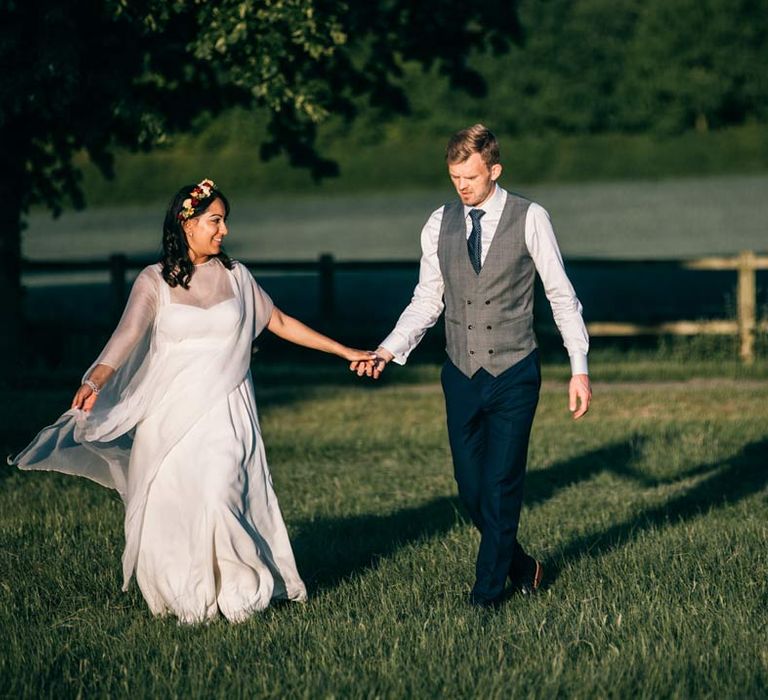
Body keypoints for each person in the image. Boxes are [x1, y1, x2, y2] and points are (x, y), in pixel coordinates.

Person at [11, 179, 375, 624]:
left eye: (224, 221)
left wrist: (345, 351)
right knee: (178, 500)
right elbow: (127, 335)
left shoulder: (237, 275)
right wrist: (97, 378)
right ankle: (189, 597)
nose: (223, 231)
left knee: (221, 492)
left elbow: (278, 320)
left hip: (226, 408)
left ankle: (241, 595)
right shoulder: (153, 279)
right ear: (187, 223)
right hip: (170, 413)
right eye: (215, 221)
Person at [352, 125, 592, 608]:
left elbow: (560, 295)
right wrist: (386, 349)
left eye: (471, 177)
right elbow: (427, 299)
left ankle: (485, 596)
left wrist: (579, 366)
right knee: (471, 490)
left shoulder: (530, 217)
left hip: (515, 372)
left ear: (494, 171)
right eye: (454, 177)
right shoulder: (438, 223)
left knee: (502, 484)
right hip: (459, 374)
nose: (462, 186)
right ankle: (525, 567)